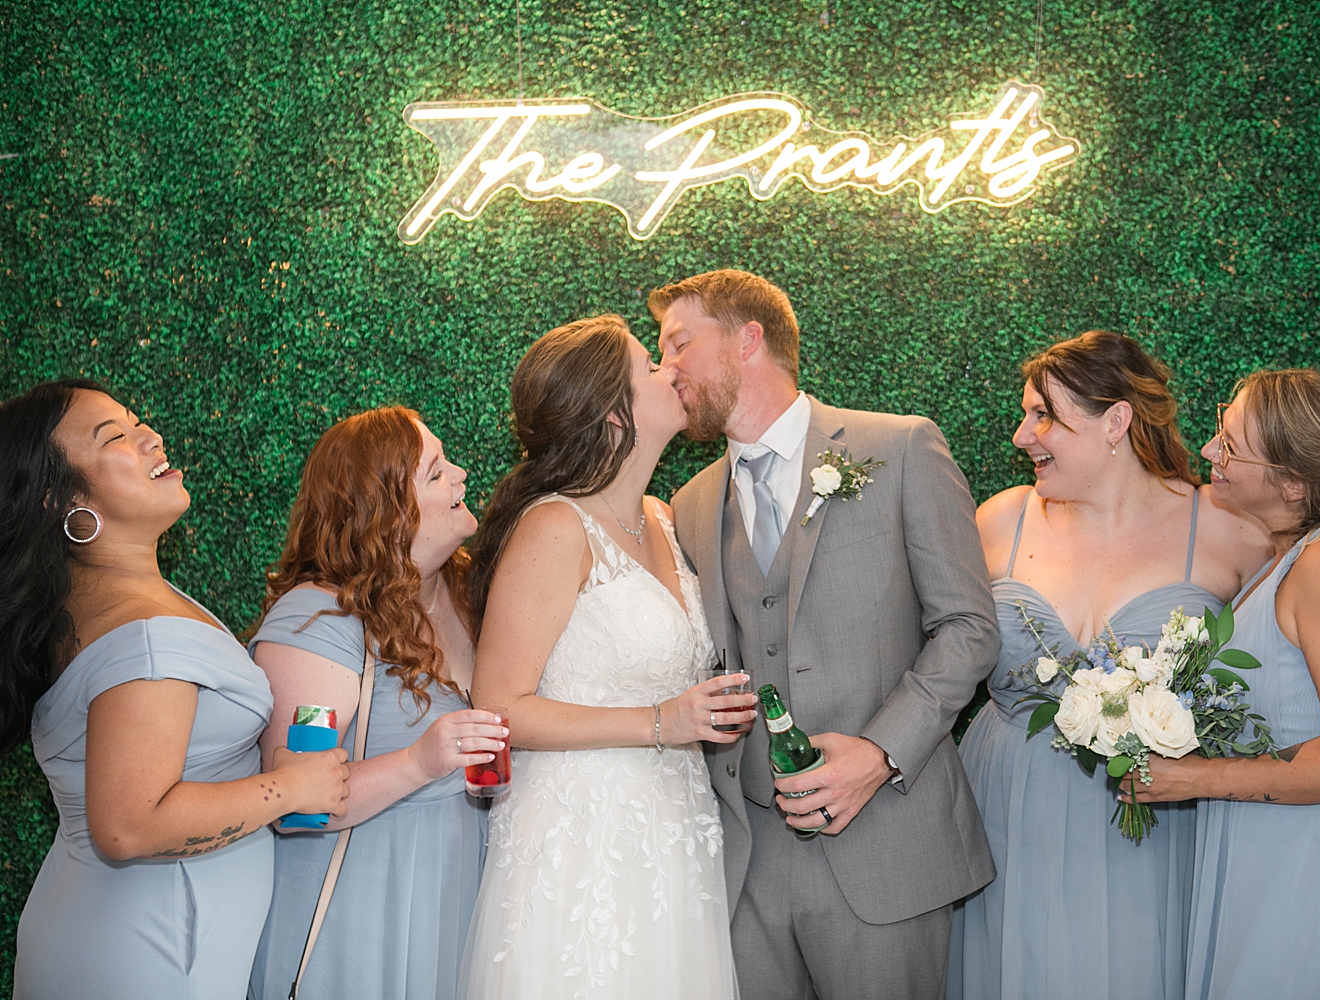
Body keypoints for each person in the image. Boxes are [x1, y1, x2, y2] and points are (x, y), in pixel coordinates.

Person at [656, 269, 1000, 1000]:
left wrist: (878, 754)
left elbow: (968, 628)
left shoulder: (901, 448)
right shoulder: (686, 504)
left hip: (885, 843)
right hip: (746, 860)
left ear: (749, 339)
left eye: (680, 344)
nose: (667, 370)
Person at [948, 332, 1273, 1000]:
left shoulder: (1224, 527)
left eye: (1043, 415)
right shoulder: (998, 521)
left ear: (1115, 422)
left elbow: (1291, 644)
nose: (1020, 435)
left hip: (1155, 819)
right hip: (1006, 808)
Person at [4, 380, 349, 1000]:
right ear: (60, 500)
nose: (150, 437)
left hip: (123, 930)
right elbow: (130, 825)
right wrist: (292, 787)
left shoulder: (103, 607)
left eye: (137, 419)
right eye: (115, 436)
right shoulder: (147, 637)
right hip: (151, 949)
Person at [1119, 369, 1320, 1000]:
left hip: (1314, 863)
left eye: (1231, 444)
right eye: (1220, 428)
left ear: (1295, 483)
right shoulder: (1290, 558)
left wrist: (1193, 778)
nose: (1210, 452)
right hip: (1273, 846)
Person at [462, 314, 751, 999]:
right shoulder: (556, 527)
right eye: (649, 366)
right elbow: (498, 706)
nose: (670, 369)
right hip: (582, 838)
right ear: (614, 415)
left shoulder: (660, 515)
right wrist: (659, 723)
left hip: (674, 827)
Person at [247, 407, 507, 1000]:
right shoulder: (318, 621)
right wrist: (420, 761)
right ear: (384, 512)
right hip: (362, 919)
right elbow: (298, 806)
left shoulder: (470, 598)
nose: (461, 475)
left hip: (464, 905)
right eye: (437, 472)